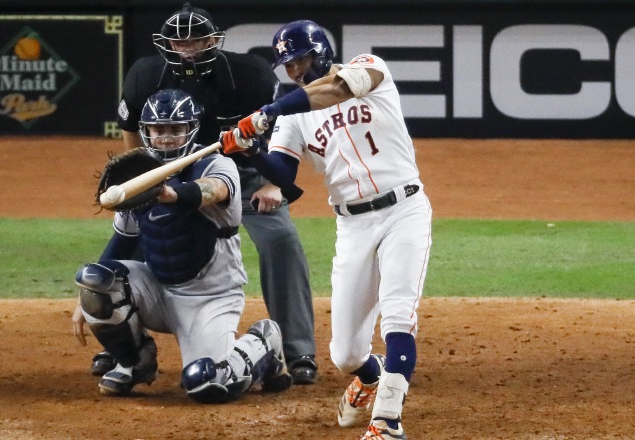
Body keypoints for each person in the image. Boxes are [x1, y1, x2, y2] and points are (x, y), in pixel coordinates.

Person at [221, 20, 432, 439]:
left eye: (300, 59)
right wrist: (251, 151)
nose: (295, 71)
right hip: (352, 225)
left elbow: (335, 90)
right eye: (288, 64)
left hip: (404, 210)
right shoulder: (295, 117)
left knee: (397, 317)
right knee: (345, 355)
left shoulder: (369, 68)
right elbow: (284, 176)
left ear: (321, 50)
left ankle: (387, 421)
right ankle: (369, 378)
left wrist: (269, 111)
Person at [99, 2, 318, 384]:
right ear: (164, 43)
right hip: (167, 171)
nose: (188, 48)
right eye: (178, 42)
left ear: (214, 40)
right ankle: (123, 348)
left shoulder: (250, 75)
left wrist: (273, 183)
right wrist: (138, 178)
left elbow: (285, 129)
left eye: (197, 39)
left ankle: (298, 351)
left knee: (280, 239)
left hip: (244, 174)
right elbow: (132, 130)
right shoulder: (145, 74)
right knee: (134, 238)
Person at [71, 88, 292, 402]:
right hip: (158, 290)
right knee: (96, 280)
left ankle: (265, 343)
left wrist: (170, 194)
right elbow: (123, 242)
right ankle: (135, 363)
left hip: (210, 297)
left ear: (191, 130)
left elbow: (212, 191)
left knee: (208, 384)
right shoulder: (138, 175)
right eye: (158, 130)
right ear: (145, 132)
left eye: (175, 129)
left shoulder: (215, 165)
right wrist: (86, 301)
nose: (166, 138)